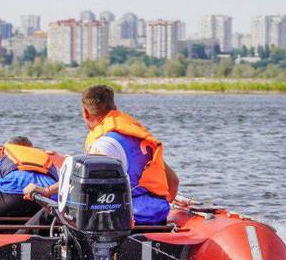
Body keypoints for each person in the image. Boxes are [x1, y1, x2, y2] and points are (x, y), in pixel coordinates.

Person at [24, 85, 179, 225]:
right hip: (155, 213)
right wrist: (160, 217)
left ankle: (14, 247)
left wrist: (47, 190)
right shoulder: (139, 139)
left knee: (50, 213)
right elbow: (173, 182)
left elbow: (89, 187)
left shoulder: (104, 144)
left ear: (85, 112)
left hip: (128, 216)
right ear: (114, 108)